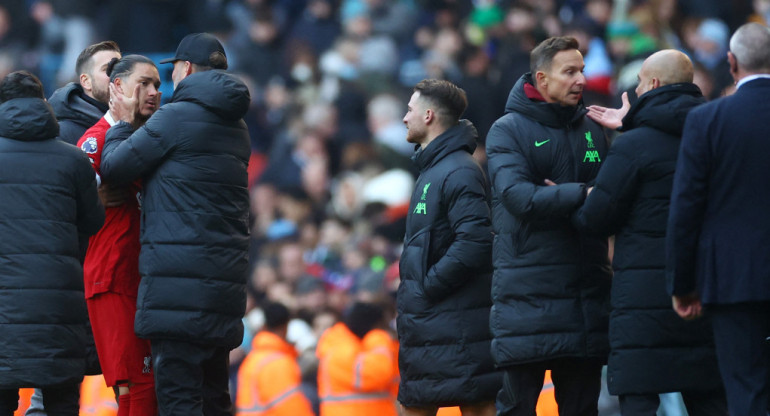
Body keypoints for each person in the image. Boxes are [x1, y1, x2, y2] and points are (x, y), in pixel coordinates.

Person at [99, 32, 251, 416]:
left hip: (178, 294)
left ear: (184, 69)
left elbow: (114, 167)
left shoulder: (177, 116)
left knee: (179, 399)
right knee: (215, 398)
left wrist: (121, 121)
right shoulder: (238, 126)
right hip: (222, 291)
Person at [574, 49, 728, 416]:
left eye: (640, 83)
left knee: (639, 400)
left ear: (654, 84)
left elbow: (597, 219)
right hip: (705, 292)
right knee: (711, 401)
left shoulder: (634, 145)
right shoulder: (717, 136)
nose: (638, 90)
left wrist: (573, 197)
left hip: (642, 305)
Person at [485, 36, 612, 416]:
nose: (581, 81)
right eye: (570, 72)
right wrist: (583, 194)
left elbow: (611, 200)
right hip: (527, 301)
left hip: (585, 299)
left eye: (582, 71)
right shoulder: (507, 129)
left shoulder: (592, 128)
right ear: (541, 78)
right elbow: (519, 198)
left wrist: (574, 196)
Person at [666, 22, 770, 416]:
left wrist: (683, 284)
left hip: (732, 280)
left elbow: (687, 207)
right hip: (734, 278)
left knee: (745, 391)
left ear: (731, 62)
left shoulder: (708, 121)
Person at [0, 70, 104, 415]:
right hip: (61, 305)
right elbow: (94, 222)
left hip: (4, 308)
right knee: (61, 401)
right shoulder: (73, 159)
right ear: (44, 104)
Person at [397, 78, 499, 416]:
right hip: (430, 330)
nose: (404, 118)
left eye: (409, 110)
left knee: (476, 407)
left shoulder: (459, 170)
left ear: (428, 116)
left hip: (456, 330)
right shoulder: (433, 170)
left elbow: (475, 241)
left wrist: (429, 286)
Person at [77, 54, 162, 416]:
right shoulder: (95, 141)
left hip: (137, 275)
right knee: (139, 382)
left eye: (158, 84)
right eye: (144, 83)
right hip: (112, 276)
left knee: (134, 383)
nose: (154, 92)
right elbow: (72, 207)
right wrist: (94, 196)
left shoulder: (149, 137)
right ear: (118, 88)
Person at [316, 302, 398, 416]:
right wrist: (379, 338)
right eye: (382, 326)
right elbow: (379, 373)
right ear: (374, 327)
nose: (386, 331)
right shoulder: (340, 350)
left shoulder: (357, 348)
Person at [236, 302, 314, 416]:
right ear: (287, 325)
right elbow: (292, 408)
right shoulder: (278, 362)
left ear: (264, 326)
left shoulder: (252, 359)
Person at [48, 40, 121, 145]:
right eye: (108, 69)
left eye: (121, 69)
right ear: (86, 81)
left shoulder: (138, 122)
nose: (117, 75)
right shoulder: (62, 135)